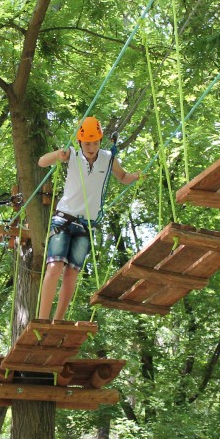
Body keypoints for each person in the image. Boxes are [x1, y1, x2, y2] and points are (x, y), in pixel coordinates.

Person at [37, 117, 139, 321]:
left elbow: (122, 177)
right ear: (80, 142)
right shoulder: (72, 155)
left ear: (100, 141)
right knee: (55, 267)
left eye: (95, 143)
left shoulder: (108, 158)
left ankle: (58, 320)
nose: (91, 148)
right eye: (87, 144)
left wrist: (136, 176)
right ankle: (42, 319)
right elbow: (41, 162)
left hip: (86, 225)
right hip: (64, 219)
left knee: (71, 274)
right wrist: (58, 155)